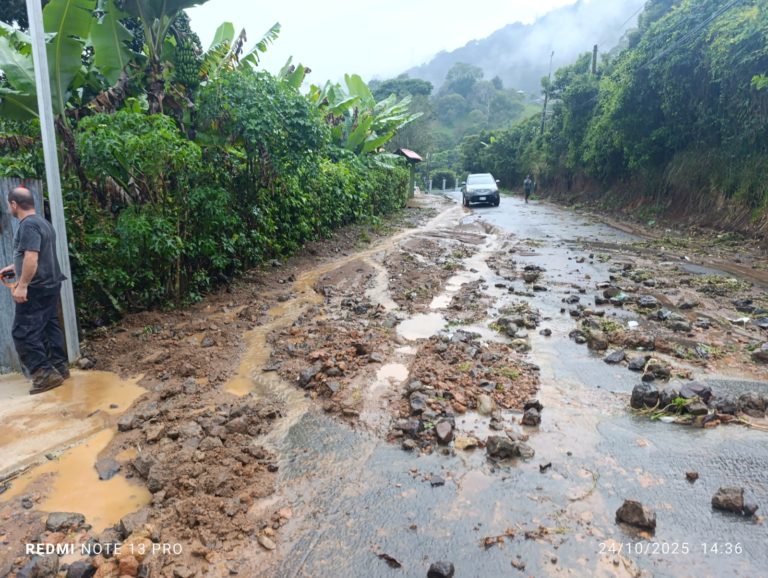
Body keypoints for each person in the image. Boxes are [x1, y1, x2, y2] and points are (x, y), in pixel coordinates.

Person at [1, 187, 69, 394]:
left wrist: (22, 285)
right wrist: (14, 267)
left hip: (36, 288)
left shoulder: (27, 225)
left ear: (14, 204)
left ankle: (44, 374)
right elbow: (37, 254)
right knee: (49, 326)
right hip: (50, 283)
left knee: (22, 333)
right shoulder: (43, 223)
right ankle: (60, 367)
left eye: (9, 204)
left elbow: (32, 257)